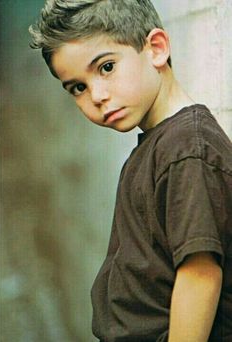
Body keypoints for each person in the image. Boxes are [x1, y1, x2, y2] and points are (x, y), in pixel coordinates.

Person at [29, 1, 232, 341]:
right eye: (77, 87)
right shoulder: (161, 145)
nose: (96, 95)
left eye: (106, 67)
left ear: (156, 48)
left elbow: (200, 275)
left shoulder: (186, 151)